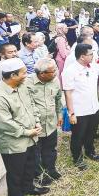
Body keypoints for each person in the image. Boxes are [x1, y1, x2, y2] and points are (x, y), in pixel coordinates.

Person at [0, 58, 49, 196]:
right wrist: (28, 132)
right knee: (15, 172)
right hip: (13, 142)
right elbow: (5, 123)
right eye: (23, 73)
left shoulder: (22, 86)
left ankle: (28, 188)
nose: (26, 75)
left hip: (30, 136)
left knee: (30, 164)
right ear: (13, 75)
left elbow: (31, 104)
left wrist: (37, 122)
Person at [27, 58, 63, 186]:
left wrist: (59, 114)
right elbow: (27, 105)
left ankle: (51, 170)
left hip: (51, 124)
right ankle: (40, 176)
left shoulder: (55, 81)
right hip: (36, 127)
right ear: (42, 74)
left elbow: (58, 98)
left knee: (50, 149)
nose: (55, 73)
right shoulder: (27, 83)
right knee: (36, 153)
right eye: (52, 71)